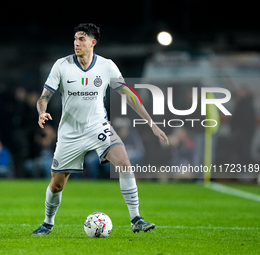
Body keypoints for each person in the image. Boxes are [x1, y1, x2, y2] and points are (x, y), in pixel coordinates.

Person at [32, 23, 168, 236]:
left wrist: (151, 122)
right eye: (75, 39)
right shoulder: (62, 65)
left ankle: (136, 218)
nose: (77, 43)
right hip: (70, 133)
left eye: (82, 39)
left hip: (98, 127)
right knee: (57, 185)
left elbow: (129, 95)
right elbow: (44, 96)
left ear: (93, 42)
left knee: (124, 163)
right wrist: (42, 111)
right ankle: (48, 223)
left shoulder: (107, 66)